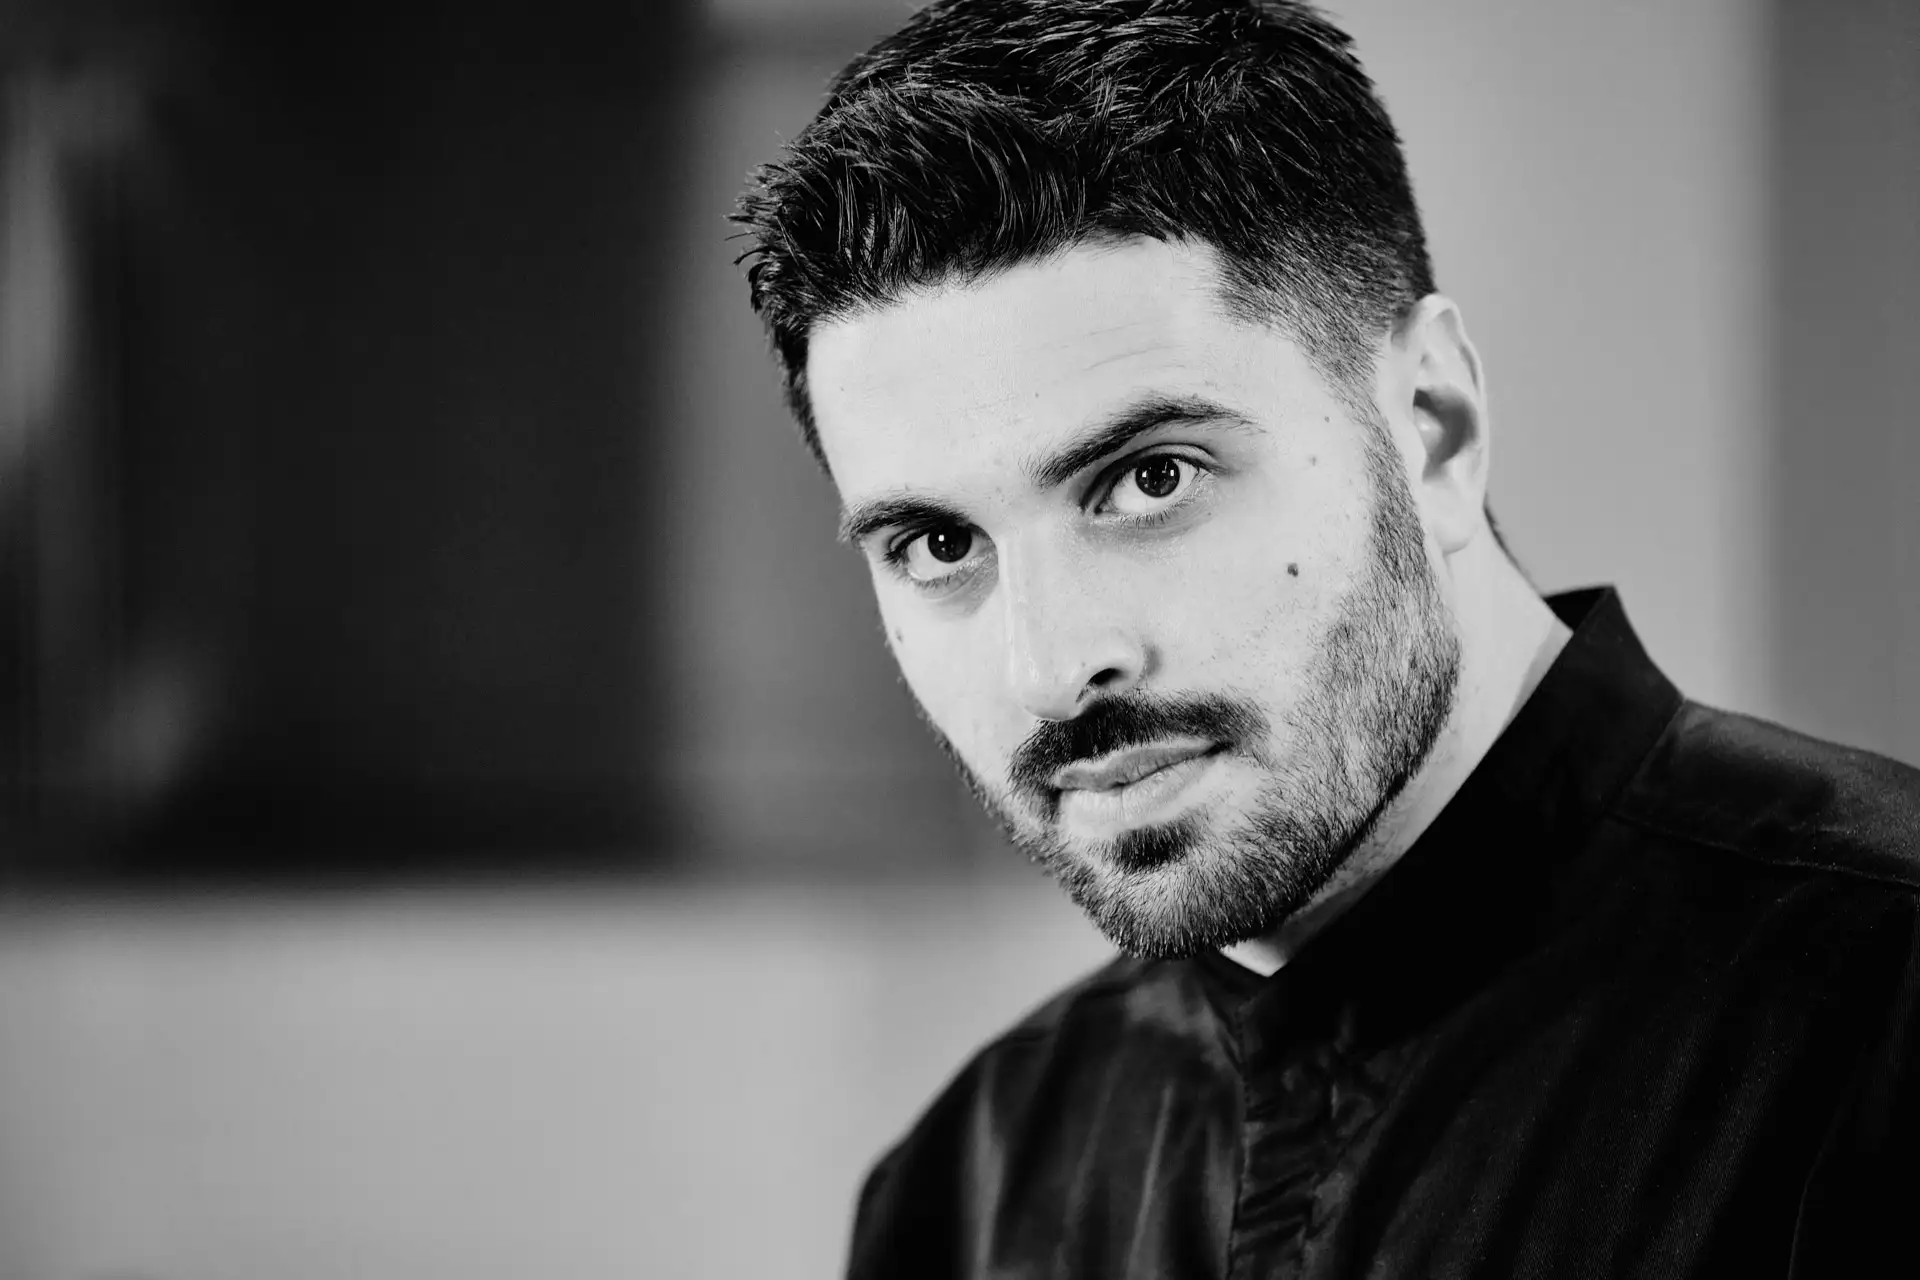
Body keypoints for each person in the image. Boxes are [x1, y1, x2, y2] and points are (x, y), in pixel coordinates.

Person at [728, 1, 1920, 1275]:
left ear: (1434, 422)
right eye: (939, 544)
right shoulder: (969, 1187)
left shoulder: (1888, 1006)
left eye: (1151, 478)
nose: (1052, 667)